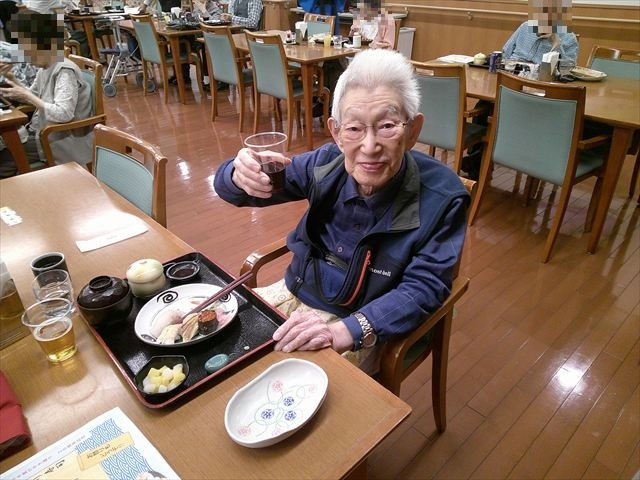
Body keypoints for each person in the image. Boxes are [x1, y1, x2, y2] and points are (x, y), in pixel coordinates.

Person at [214, 49, 470, 373]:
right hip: (294, 291)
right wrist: (237, 174)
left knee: (289, 388)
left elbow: (424, 288)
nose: (369, 147)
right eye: (354, 129)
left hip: (364, 322)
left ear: (413, 130)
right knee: (218, 348)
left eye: (387, 125)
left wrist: (344, 331)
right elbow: (234, 191)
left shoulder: (443, 197)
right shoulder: (325, 163)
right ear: (336, 132)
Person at [461, 0, 578, 180]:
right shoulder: (525, 27)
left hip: (538, 94)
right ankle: (477, 161)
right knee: (484, 105)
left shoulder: (568, 38)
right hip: (511, 84)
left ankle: (479, 160)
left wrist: (557, 44)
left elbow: (568, 73)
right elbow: (505, 52)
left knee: (505, 113)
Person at [0, 10, 94, 178]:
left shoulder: (64, 71)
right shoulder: (46, 67)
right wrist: (11, 78)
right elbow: (33, 94)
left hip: (59, 138)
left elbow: (64, 114)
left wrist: (27, 96)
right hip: (43, 132)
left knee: (4, 160)